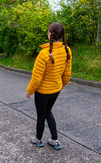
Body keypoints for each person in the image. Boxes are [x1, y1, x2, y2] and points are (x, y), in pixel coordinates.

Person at [26, 22, 72, 150]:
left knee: (42, 115)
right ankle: (55, 140)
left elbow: (36, 78)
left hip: (42, 92)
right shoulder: (66, 50)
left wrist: (29, 91)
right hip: (56, 89)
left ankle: (38, 139)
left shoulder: (44, 54)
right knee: (48, 112)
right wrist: (62, 84)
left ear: (50, 34)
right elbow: (67, 73)